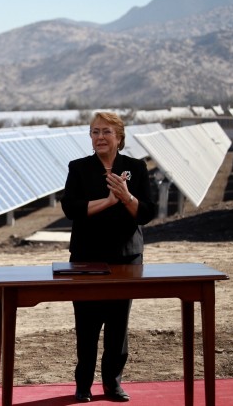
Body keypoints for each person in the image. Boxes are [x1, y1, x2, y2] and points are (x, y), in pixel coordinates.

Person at [60, 111, 157, 403]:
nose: (99, 137)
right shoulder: (78, 168)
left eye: (106, 132)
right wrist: (108, 201)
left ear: (119, 137)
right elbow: (71, 209)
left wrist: (126, 197)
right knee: (86, 324)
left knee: (118, 324)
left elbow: (147, 213)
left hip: (125, 258)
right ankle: (83, 384)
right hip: (87, 257)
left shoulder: (136, 168)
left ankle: (113, 384)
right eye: (94, 132)